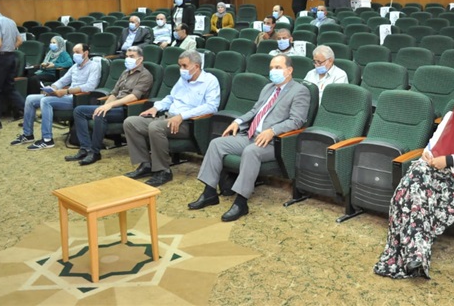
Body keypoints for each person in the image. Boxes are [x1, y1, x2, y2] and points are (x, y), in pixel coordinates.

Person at [374, 86, 454, 279]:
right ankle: (416, 256)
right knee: (411, 185)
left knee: (411, 194)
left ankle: (409, 255)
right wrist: (428, 154)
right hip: (431, 170)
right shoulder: (450, 117)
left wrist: (449, 161)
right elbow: (432, 144)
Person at [187, 55, 310, 221]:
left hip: (274, 142)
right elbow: (254, 111)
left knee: (251, 151)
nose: (273, 71)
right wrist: (237, 122)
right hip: (251, 135)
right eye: (271, 68)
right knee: (217, 144)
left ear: (289, 70)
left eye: (278, 68)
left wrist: (273, 131)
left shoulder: (300, 91)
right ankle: (209, 193)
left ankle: (241, 202)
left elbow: (297, 121)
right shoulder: (268, 88)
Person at [123, 50, 220, 187]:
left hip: (188, 123)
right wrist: (156, 107)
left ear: (196, 66)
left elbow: (211, 107)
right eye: (180, 66)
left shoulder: (210, 81)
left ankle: (163, 171)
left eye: (184, 66)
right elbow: (171, 97)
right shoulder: (183, 79)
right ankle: (146, 165)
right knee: (131, 123)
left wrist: (182, 116)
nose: (181, 69)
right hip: (168, 117)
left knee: (155, 127)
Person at [66, 46, 153, 166]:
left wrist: (109, 106)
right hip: (114, 106)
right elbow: (114, 93)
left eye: (132, 56)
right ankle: (85, 148)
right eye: (127, 56)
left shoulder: (145, 75)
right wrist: (105, 106)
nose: (128, 59)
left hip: (128, 109)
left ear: (140, 59)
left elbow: (134, 97)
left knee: (100, 115)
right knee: (79, 111)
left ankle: (95, 152)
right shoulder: (125, 72)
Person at [11, 43, 101, 150]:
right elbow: (62, 81)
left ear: (85, 53)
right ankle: (28, 134)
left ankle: (47, 139)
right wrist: (52, 88)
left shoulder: (94, 66)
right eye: (73, 52)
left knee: (46, 101)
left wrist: (66, 91)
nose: (74, 55)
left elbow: (90, 86)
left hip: (78, 99)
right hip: (68, 95)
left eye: (77, 52)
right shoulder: (74, 67)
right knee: (30, 99)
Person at [0, 0, 26, 129]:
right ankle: (26, 110)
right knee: (9, 88)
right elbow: (20, 40)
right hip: (12, 57)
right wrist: (9, 49)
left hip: (0, 58)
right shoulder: (10, 21)